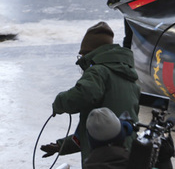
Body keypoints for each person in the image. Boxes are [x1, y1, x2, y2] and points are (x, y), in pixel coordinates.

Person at [41, 22, 140, 164]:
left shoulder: (99, 71)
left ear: (91, 53)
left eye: (82, 54)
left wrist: (59, 102)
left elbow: (82, 95)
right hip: (127, 155)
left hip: (105, 159)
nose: (81, 59)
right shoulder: (128, 77)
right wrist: (61, 146)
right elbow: (97, 132)